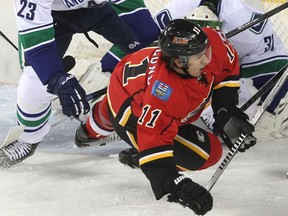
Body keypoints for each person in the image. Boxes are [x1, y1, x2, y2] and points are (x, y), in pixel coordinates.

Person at [74, 19, 257, 215]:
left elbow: (227, 67)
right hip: (129, 108)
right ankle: (102, 127)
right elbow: (153, 142)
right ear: (179, 61)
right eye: (199, 56)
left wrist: (225, 109)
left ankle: (103, 121)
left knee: (169, 123)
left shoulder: (208, 41)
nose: (207, 59)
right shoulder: (162, 94)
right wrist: (174, 182)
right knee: (207, 154)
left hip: (135, 81)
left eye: (207, 51)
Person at [0, 0, 155, 168]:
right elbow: (38, 47)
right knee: (36, 78)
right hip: (52, 14)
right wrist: (56, 79)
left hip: (103, 9)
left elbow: (140, 25)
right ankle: (28, 137)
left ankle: (135, 120)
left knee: (152, 54)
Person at [153, 0, 288, 134]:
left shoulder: (245, 31)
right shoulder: (174, 13)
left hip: (259, 58)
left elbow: (235, 67)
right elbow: (153, 49)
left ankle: (271, 112)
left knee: (249, 103)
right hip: (216, 55)